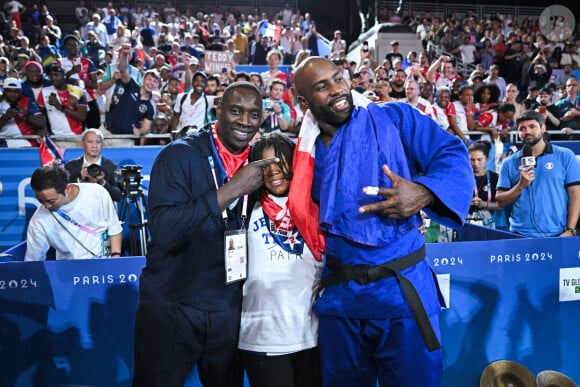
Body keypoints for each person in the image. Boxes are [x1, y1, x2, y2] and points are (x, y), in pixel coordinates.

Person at [291, 57, 472, 387]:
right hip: (340, 298)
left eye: (338, 78)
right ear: (303, 101)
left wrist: (424, 192)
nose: (337, 90)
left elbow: (452, 154)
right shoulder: (302, 153)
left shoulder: (393, 118)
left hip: (401, 292)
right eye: (322, 87)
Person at [132, 82, 280, 387]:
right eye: (236, 111)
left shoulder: (259, 161)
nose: (245, 121)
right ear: (218, 111)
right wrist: (233, 189)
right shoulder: (178, 155)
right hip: (174, 305)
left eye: (254, 114)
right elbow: (165, 230)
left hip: (227, 308)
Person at [239, 134, 323, 387]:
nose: (274, 172)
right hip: (263, 337)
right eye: (265, 166)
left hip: (312, 335)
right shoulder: (244, 209)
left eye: (281, 163)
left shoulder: (315, 206)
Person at [496, 110, 580, 237]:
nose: (527, 132)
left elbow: (575, 194)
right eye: (522, 129)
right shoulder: (509, 162)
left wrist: (570, 230)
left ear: (543, 128)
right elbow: (501, 201)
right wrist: (521, 185)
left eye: (532, 126)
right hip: (520, 234)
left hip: (558, 233)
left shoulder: (565, 155)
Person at [24, 166, 123, 261]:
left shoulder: (97, 192)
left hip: (104, 264)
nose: (46, 206)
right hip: (68, 271)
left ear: (67, 189)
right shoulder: (38, 221)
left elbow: (114, 228)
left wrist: (115, 260)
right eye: (41, 201)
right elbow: (33, 260)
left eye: (51, 201)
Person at [64, 128, 122, 202]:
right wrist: (80, 181)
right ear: (82, 144)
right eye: (90, 142)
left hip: (102, 209)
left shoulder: (111, 167)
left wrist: (102, 182)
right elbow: (63, 193)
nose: (94, 146)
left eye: (98, 142)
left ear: (102, 145)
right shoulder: (71, 166)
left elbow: (118, 197)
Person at [0, 77, 45, 148]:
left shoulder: (29, 102)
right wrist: (5, 117)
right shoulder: (0, 103)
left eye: (16, 91)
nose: (12, 94)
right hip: (4, 142)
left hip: (28, 142)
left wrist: (27, 114)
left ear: (20, 92)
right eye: (9, 91)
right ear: (4, 91)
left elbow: (41, 123)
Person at [466, 141, 502, 228]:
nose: (476, 164)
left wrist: (484, 204)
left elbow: (500, 205)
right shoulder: (463, 178)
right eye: (472, 160)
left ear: (487, 159)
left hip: (490, 224)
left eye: (479, 160)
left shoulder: (495, 178)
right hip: (467, 223)